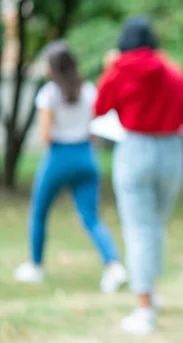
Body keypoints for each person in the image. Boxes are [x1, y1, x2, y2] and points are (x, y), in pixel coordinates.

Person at [94, 16, 183, 335]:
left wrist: (108, 68)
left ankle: (143, 309)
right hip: (172, 153)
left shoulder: (119, 67)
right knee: (154, 228)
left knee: (139, 230)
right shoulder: (172, 68)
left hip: (135, 150)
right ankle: (150, 296)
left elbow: (100, 107)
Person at [13, 40, 127, 294]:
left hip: (59, 155)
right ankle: (113, 265)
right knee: (91, 217)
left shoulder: (49, 94)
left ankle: (36, 266)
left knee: (39, 212)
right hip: (86, 154)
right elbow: (95, 128)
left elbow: (45, 135)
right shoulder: (88, 90)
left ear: (52, 67)